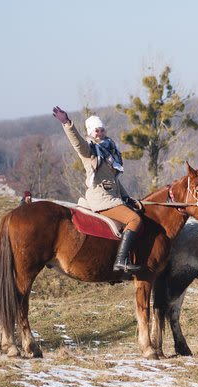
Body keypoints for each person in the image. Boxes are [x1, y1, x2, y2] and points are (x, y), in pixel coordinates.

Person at [52, 106, 142, 273]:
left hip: (112, 197)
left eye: (101, 130)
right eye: (96, 131)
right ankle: (121, 260)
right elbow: (77, 143)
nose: (99, 133)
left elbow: (113, 180)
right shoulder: (89, 150)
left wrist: (127, 197)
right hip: (101, 198)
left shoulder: (110, 149)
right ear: (90, 133)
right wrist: (67, 124)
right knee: (134, 220)